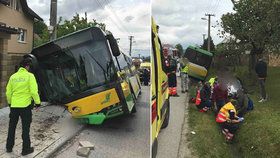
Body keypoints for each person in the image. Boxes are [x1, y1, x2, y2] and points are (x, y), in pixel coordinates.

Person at [6, 58, 41, 156]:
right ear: (27, 66)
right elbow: (34, 92)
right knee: (25, 128)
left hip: (14, 106)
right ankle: (26, 149)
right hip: (25, 107)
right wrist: (38, 103)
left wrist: (10, 103)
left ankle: (9, 147)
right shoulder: (30, 76)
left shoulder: (13, 77)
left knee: (11, 127)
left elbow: (8, 92)